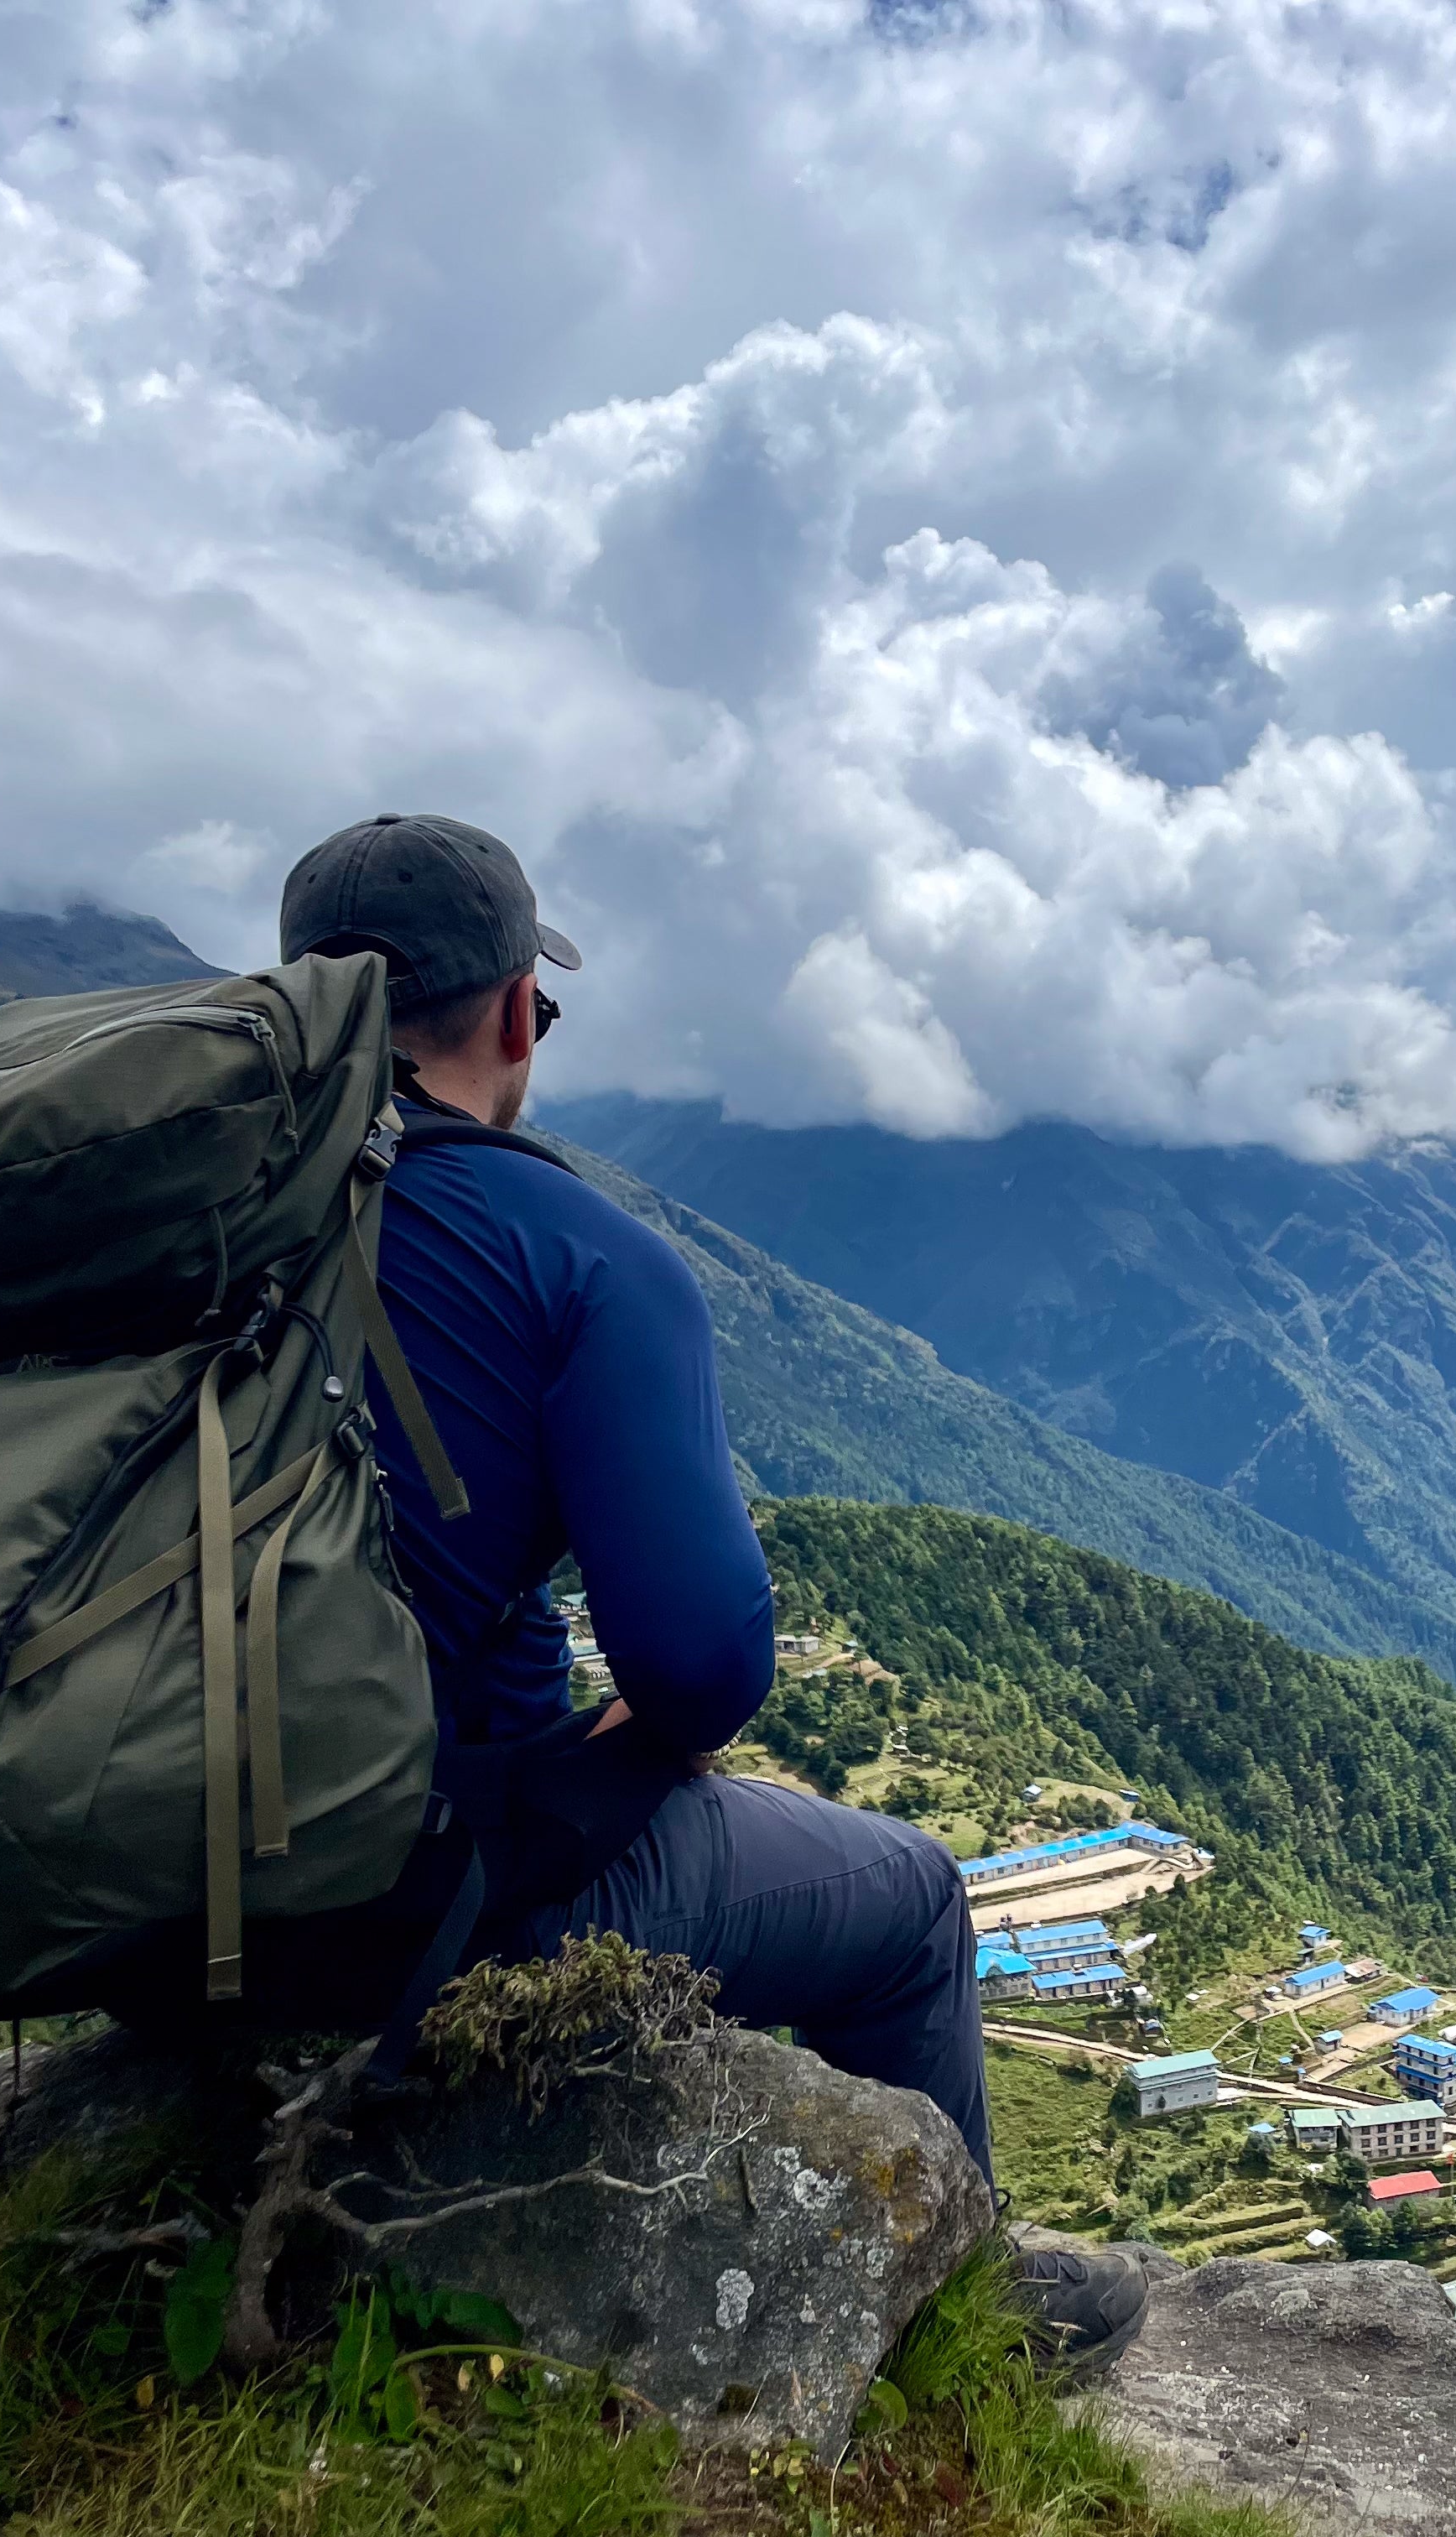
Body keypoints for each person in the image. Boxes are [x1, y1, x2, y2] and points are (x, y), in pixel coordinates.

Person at [278, 812, 1145, 2373]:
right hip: (419, 1895)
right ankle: (964, 2323)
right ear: (515, 1014)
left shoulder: (189, 1226)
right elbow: (700, 1673)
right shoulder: (579, 1253)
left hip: (147, 1876)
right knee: (915, 1899)